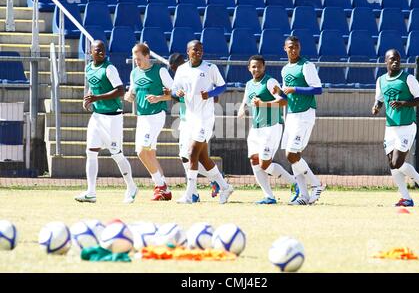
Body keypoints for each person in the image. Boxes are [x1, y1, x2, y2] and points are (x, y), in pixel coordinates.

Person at [76, 40, 138, 204]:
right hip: (97, 116)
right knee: (90, 152)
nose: (101, 52)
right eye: (97, 50)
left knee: (116, 154)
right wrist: (88, 99)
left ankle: (131, 187)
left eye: (103, 50)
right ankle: (91, 192)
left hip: (113, 118)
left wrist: (97, 98)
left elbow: (119, 90)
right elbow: (92, 87)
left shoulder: (109, 68)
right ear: (91, 53)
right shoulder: (88, 68)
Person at [172, 40, 233, 204]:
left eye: (200, 50)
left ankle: (190, 194)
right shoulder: (181, 69)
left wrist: (211, 93)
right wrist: (176, 92)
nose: (198, 52)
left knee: (192, 153)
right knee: (202, 158)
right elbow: (174, 90)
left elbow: (222, 86)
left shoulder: (210, 68)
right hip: (189, 118)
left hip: (204, 118)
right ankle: (225, 187)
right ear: (188, 51)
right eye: (194, 50)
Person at [372, 49, 419, 207]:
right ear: (386, 61)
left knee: (398, 162)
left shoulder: (408, 78)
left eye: (398, 59)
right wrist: (376, 107)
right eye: (392, 59)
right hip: (390, 127)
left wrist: (403, 103)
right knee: (392, 164)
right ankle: (406, 198)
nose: (395, 62)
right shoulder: (381, 80)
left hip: (407, 126)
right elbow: (379, 100)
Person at [238, 55, 299, 204]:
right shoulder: (249, 84)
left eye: (259, 66)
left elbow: (283, 100)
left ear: (264, 67)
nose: (256, 69)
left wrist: (263, 104)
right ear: (249, 68)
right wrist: (241, 108)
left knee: (265, 164)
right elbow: (246, 100)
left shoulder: (270, 82)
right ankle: (269, 196)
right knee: (254, 160)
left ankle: (294, 183)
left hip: (271, 127)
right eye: (253, 66)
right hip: (256, 128)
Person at [275, 35, 325, 205]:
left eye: (296, 46)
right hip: (291, 115)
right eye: (290, 47)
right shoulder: (285, 69)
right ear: (285, 48)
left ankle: (317, 184)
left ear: (300, 47)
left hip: (305, 114)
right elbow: (286, 94)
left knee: (291, 153)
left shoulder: (307, 66)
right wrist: (278, 93)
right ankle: (303, 195)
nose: (293, 50)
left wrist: (294, 89)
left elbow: (318, 90)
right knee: (293, 156)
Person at [123, 43, 174, 201]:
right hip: (142, 117)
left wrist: (159, 98)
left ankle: (161, 186)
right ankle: (164, 190)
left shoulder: (160, 71)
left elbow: (175, 93)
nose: (136, 61)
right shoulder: (134, 73)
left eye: (138, 58)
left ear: (147, 56)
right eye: (134, 58)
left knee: (141, 151)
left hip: (156, 115)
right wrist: (128, 96)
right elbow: (131, 92)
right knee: (149, 153)